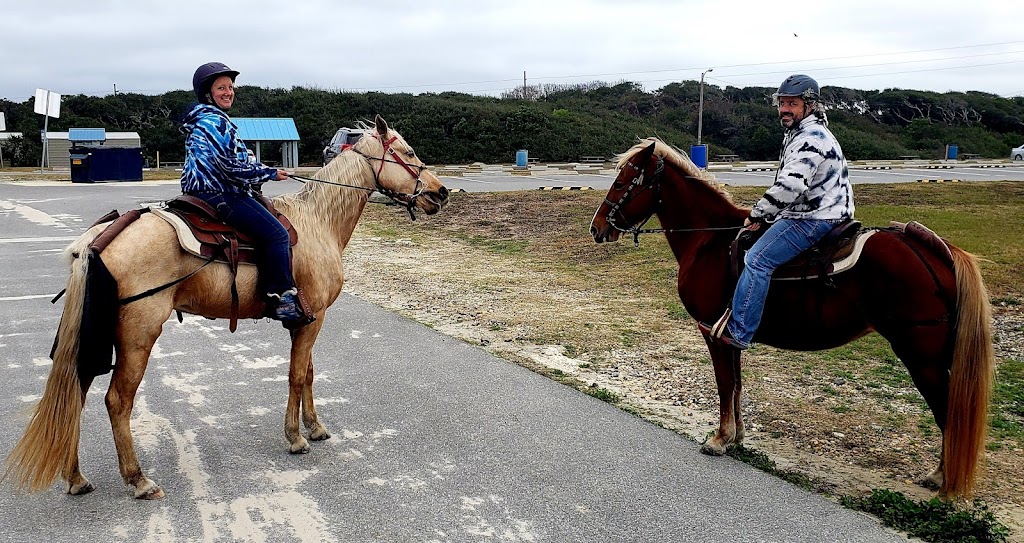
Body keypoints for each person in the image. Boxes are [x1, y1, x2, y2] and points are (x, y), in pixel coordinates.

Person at [701, 74, 854, 349]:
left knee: (758, 259)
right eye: (781, 103)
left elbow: (791, 185)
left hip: (815, 217)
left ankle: (739, 332)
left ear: (810, 105)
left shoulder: (811, 137)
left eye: (792, 103)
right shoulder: (799, 132)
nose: (784, 109)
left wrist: (757, 214)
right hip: (816, 210)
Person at [180, 61, 305, 322]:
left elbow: (237, 160)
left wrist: (261, 167)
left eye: (231, 87)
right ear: (207, 94)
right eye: (221, 88)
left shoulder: (202, 120)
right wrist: (269, 174)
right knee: (278, 235)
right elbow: (231, 168)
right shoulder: (216, 122)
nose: (228, 92)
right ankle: (281, 298)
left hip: (199, 191)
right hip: (221, 193)